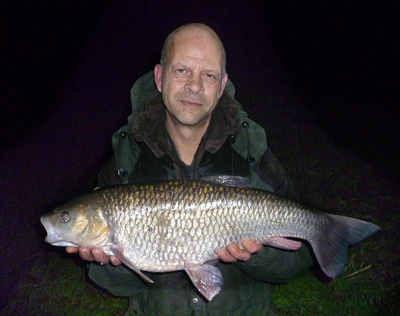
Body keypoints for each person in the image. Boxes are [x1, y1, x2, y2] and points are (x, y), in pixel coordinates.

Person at [67, 23, 313, 315]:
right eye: (182, 70)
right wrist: (109, 264)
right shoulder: (124, 164)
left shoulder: (252, 154)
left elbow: (300, 261)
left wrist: (257, 255)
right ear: (159, 77)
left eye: (208, 75)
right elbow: (119, 287)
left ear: (221, 87)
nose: (194, 86)